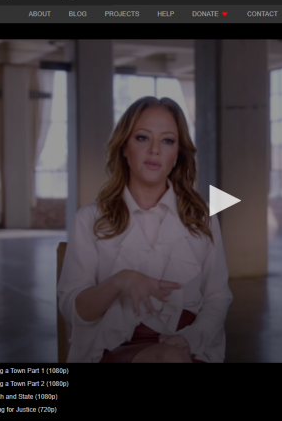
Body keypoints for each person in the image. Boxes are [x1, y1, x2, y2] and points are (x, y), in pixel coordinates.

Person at [57, 96, 233, 363]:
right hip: (112, 348)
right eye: (142, 138)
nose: (154, 150)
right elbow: (74, 312)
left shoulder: (202, 218)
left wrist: (193, 336)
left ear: (177, 154)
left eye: (167, 141)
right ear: (124, 147)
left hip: (190, 344)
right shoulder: (90, 219)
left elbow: (217, 296)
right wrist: (120, 281)